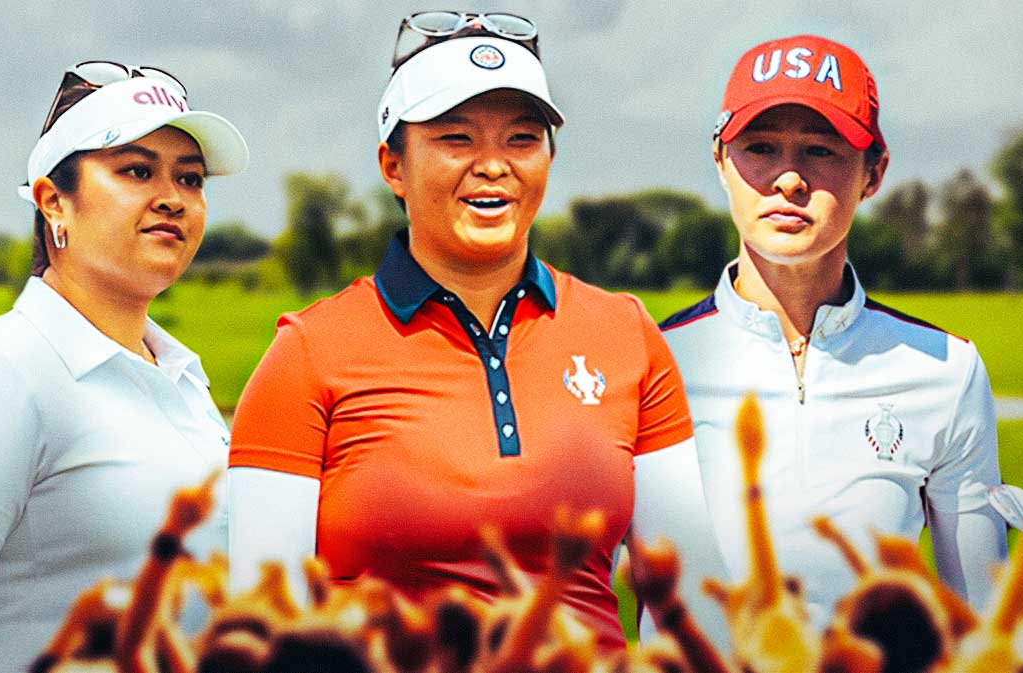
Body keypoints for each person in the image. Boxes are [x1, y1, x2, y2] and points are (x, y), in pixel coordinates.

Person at [226, 11, 714, 654]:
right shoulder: (310, 354)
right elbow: (265, 624)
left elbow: (693, 595)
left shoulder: (624, 332)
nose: (493, 165)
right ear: (393, 166)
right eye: (456, 139)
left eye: (521, 139)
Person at [0, 61, 249, 672]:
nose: (173, 198)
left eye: (191, 179)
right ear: (55, 201)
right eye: (136, 170)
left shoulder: (181, 376)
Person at [659, 35, 1007, 632]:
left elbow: (982, 625)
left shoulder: (945, 368)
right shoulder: (647, 359)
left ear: (874, 173)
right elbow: (579, 605)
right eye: (759, 147)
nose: (788, 178)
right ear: (720, 161)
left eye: (821, 150)